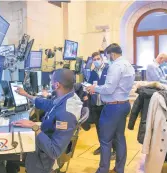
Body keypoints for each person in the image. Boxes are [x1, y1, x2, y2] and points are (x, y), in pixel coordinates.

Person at [15, 68, 83, 173]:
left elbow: (54, 151)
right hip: (44, 142)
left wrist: (34, 127)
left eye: (51, 81)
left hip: (43, 158)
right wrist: (27, 95)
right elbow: (50, 104)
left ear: (57, 85)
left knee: (0, 157)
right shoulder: (68, 97)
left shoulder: (66, 114)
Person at [86, 43, 135, 173]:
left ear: (112, 54)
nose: (107, 59)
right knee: (119, 138)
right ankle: (119, 169)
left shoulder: (115, 66)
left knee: (105, 140)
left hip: (113, 107)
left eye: (107, 57)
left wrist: (94, 88)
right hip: (124, 104)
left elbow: (108, 89)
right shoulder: (128, 65)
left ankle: (103, 170)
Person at [87, 52, 116, 158]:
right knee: (99, 128)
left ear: (102, 59)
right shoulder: (93, 72)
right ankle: (102, 146)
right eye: (94, 59)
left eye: (98, 58)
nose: (96, 61)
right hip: (96, 104)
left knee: (109, 128)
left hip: (107, 104)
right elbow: (89, 84)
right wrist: (88, 88)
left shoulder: (109, 70)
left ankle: (114, 150)